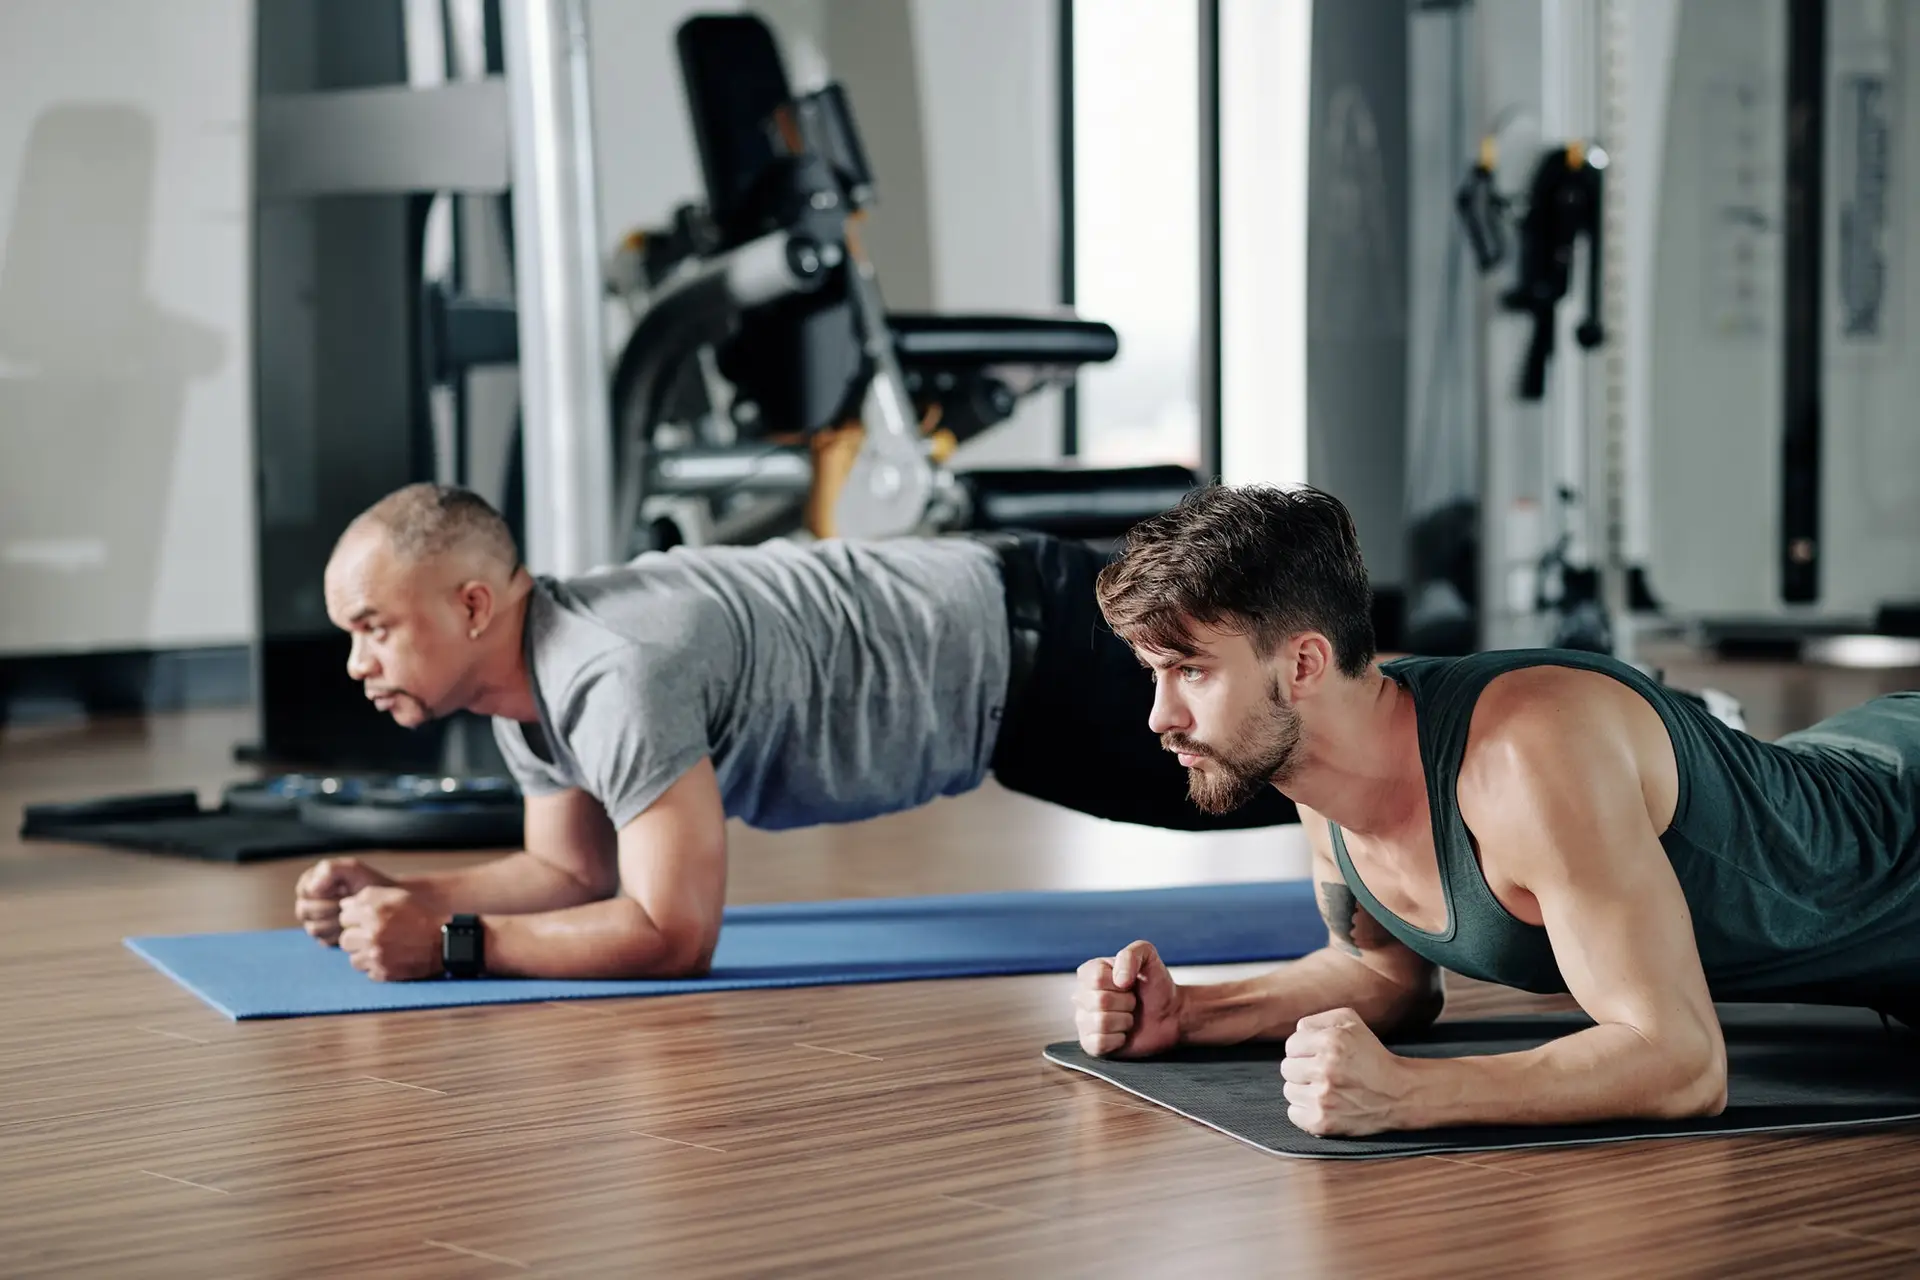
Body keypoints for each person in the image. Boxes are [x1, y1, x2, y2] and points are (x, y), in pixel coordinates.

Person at [1070, 482, 1920, 1138]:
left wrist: (1410, 1093)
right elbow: (1382, 978)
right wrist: (1192, 1014)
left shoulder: (1524, 757)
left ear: (1303, 664)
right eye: (1155, 674)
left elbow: (1683, 1063)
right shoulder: (1326, 776)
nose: (1160, 718)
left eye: (1192, 673)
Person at [295, 482, 1299, 982]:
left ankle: (1457, 751)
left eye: (373, 628)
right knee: (1310, 769)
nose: (355, 663)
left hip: (1042, 650)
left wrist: (456, 944)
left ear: (472, 605)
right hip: (1007, 687)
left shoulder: (608, 670)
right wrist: (404, 892)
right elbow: (567, 872)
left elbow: (672, 931)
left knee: (1313, 758)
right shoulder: (526, 677)